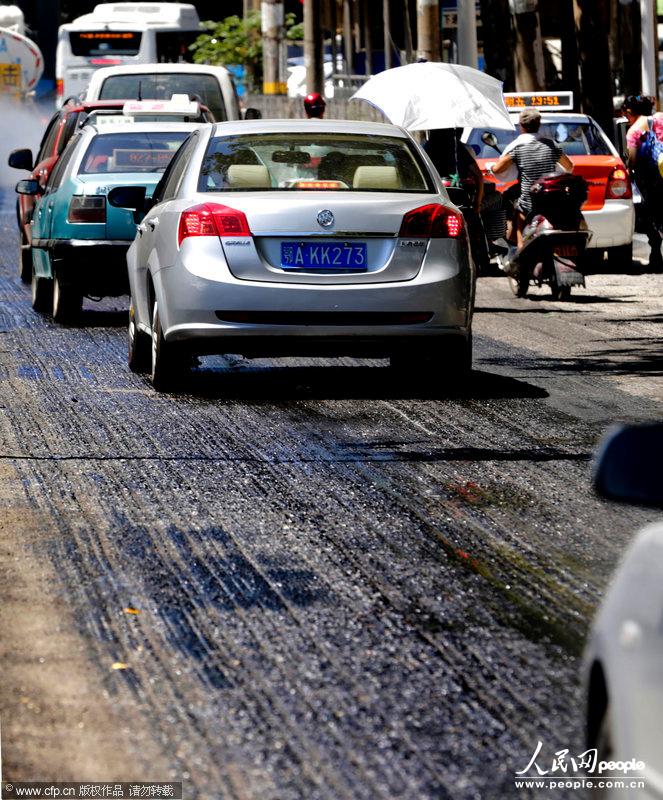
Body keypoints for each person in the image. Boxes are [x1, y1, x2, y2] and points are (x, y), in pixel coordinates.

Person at [490, 108, 573, 249]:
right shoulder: (552, 145)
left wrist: (491, 167)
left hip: (529, 203)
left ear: (521, 126)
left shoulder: (518, 148)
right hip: (551, 201)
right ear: (539, 125)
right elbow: (569, 166)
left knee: (517, 211)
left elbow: (498, 169)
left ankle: (519, 247)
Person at [424, 128, 488, 270]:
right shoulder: (458, 148)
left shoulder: (424, 148)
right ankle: (483, 256)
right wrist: (477, 203)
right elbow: (478, 175)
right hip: (461, 198)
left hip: (434, 200)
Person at [621, 94, 663, 270]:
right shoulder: (660, 117)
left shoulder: (634, 130)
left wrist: (628, 168)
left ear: (629, 112)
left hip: (649, 181)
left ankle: (656, 250)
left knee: (649, 215)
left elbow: (632, 158)